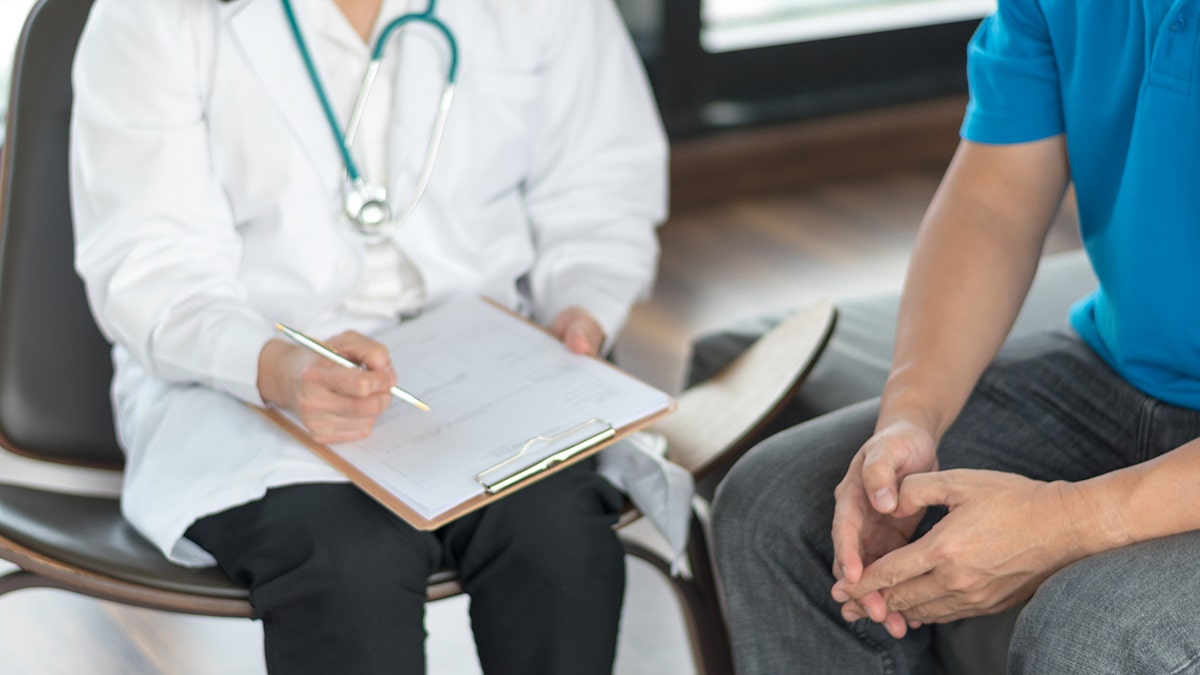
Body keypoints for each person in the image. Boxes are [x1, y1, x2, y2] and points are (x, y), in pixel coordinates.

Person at [68, 0, 667, 673]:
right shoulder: (151, 15)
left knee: (558, 535)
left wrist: (582, 304)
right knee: (347, 561)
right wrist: (271, 367)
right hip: (242, 385)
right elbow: (152, 265)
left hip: (489, 367)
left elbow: (601, 182)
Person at [712, 1, 1200, 672]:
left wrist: (1070, 521)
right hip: (1122, 366)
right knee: (774, 509)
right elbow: (991, 204)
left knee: (1092, 632)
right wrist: (911, 415)